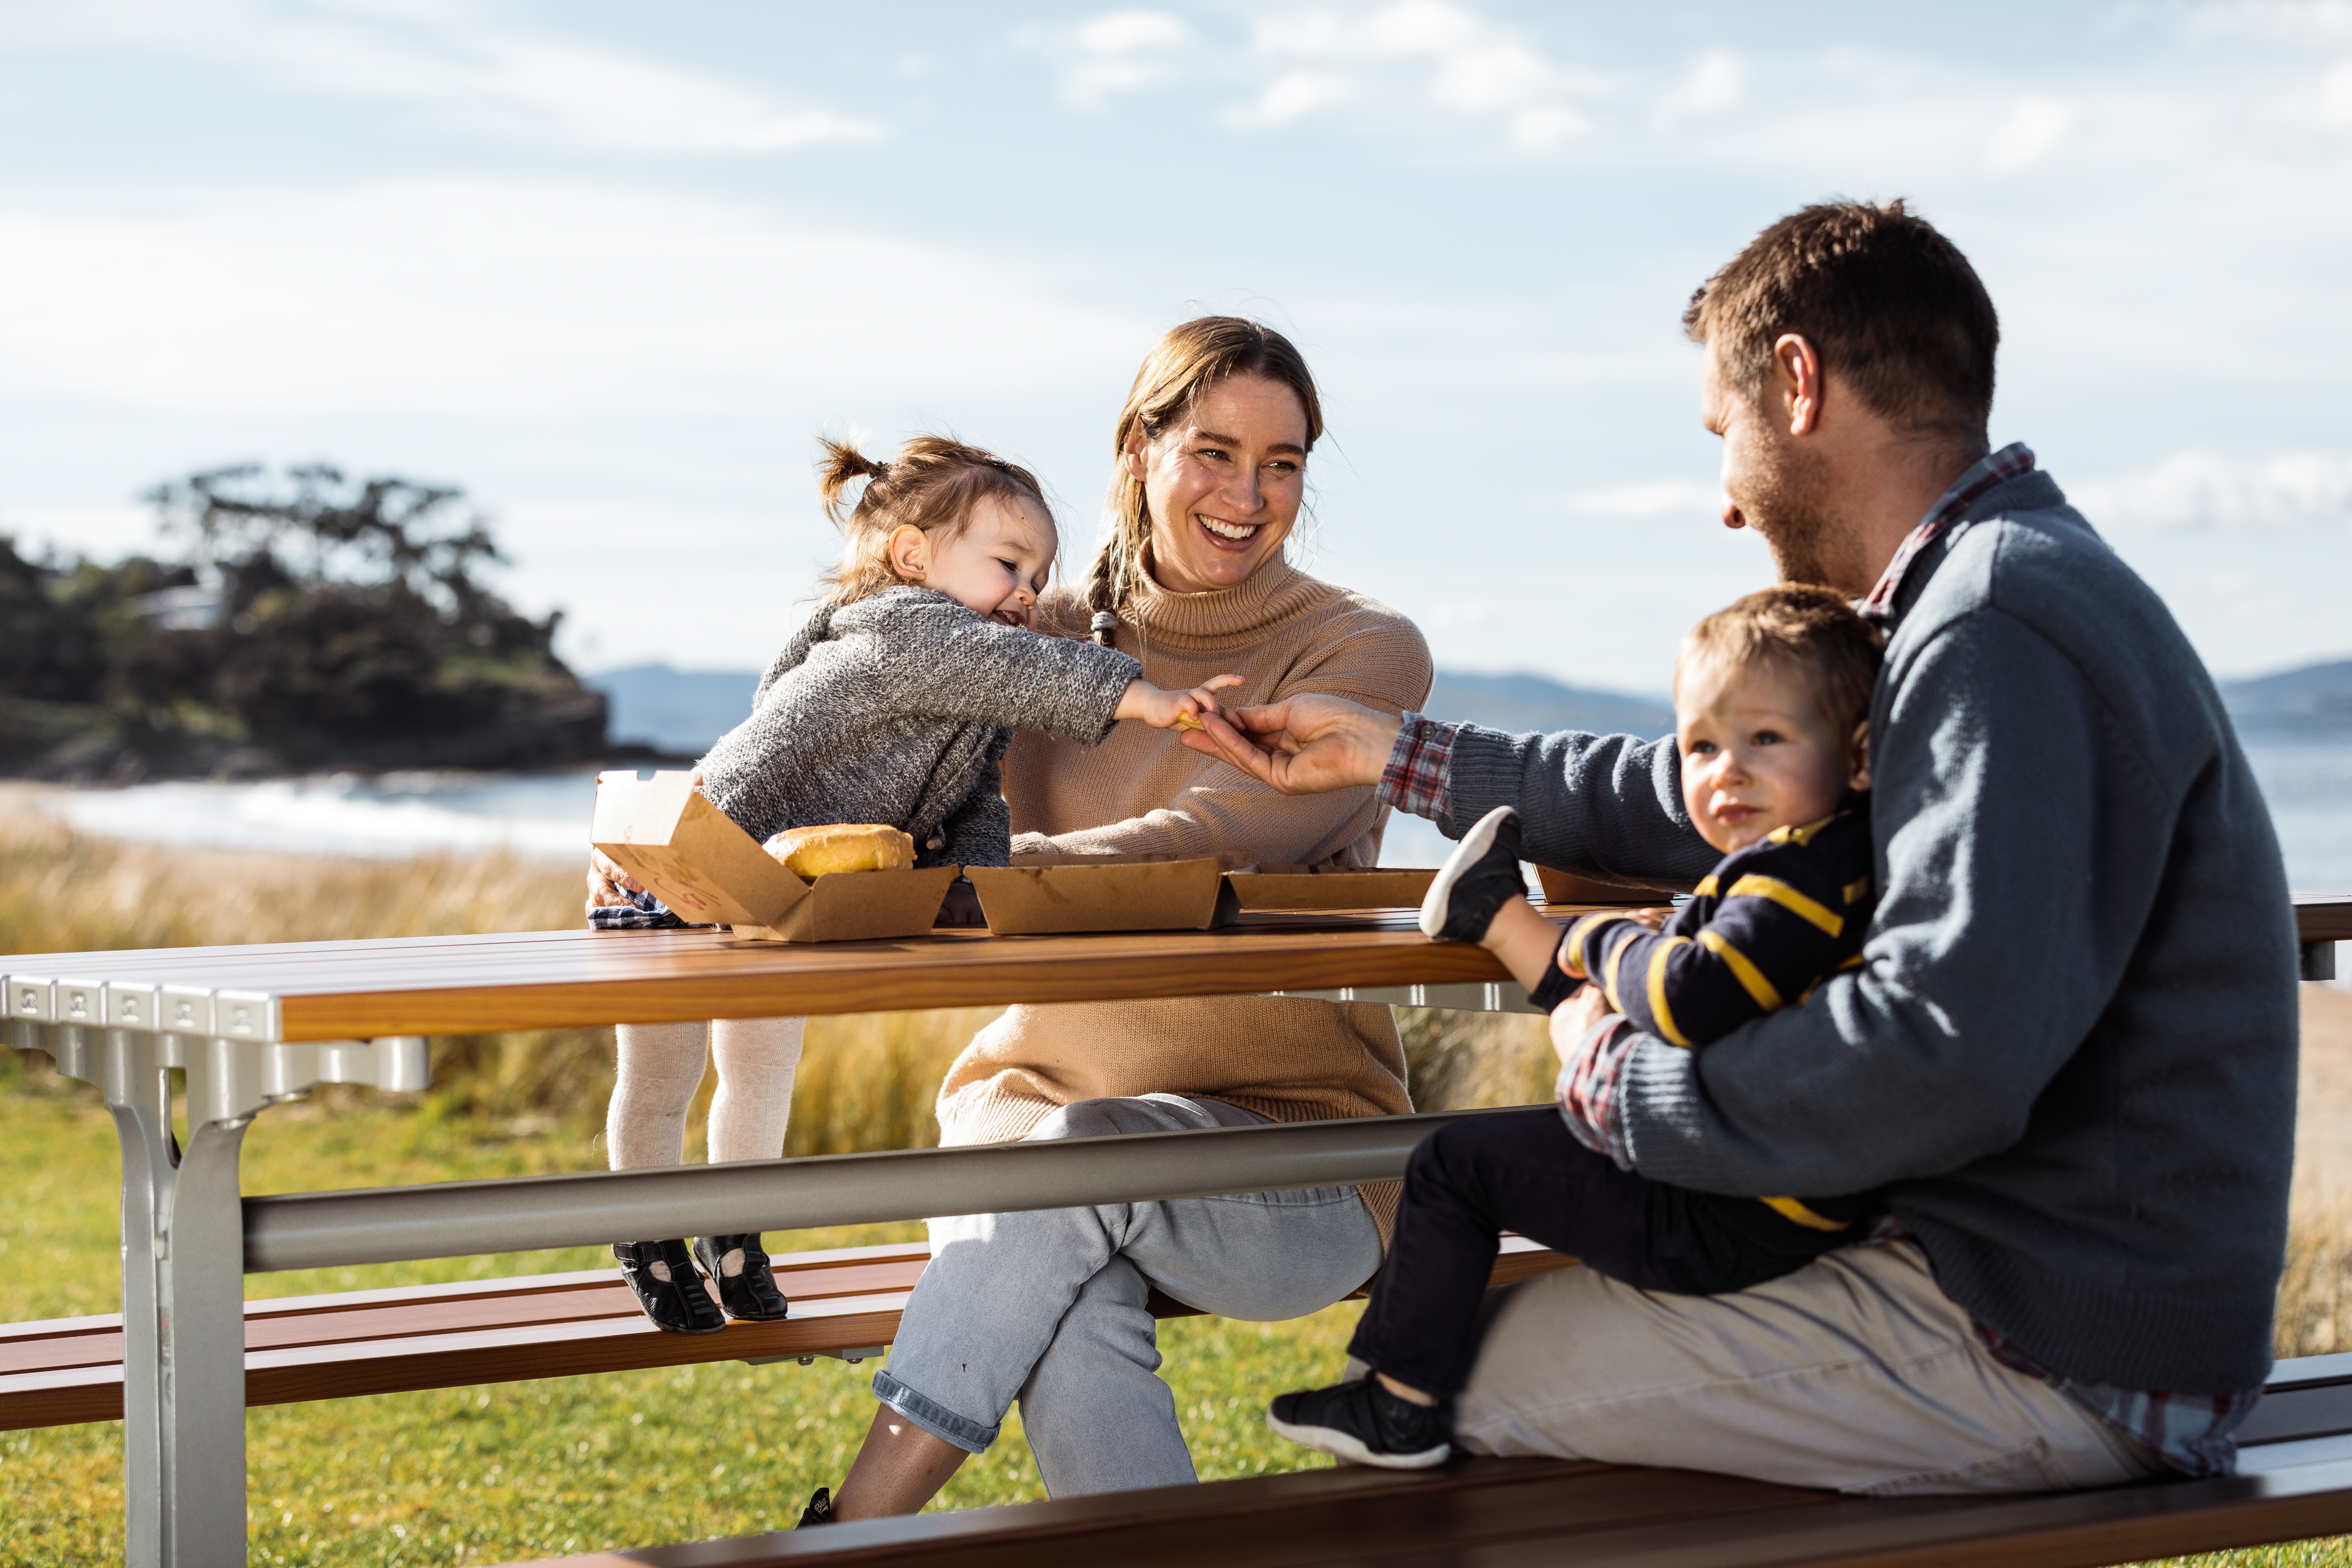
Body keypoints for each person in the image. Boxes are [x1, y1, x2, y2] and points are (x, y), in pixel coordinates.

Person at [1188, 200, 2297, 1494]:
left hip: (2052, 1345)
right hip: (2032, 1285)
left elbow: (1942, 1057)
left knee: (1440, 1396)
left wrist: (1622, 1088)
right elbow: (1692, 795)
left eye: (1724, 437)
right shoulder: (1977, 597)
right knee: (1484, 1337)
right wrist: (1399, 755)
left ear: (1797, 382)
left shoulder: (1993, 625)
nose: (1726, 501)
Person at [801, 317, 1432, 1527]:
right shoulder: (1025, 630)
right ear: (1136, 449)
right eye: (1214, 451)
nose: (1250, 494)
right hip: (1024, 1112)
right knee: (1066, 1269)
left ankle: (847, 1533)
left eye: (1285, 462)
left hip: (1294, 1150)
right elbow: (864, 723)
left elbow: (1232, 831)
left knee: (1083, 1172)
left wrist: (989, 875)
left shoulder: (1360, 648)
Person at [586, 434, 1236, 1335]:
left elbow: (974, 800)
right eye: (1008, 563)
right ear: (913, 557)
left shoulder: (967, 685)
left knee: (761, 1073)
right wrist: (1152, 700)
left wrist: (973, 886)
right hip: (679, 868)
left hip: (778, 900)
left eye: (1037, 574)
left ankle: (733, 1233)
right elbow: (1036, 670)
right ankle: (644, 1234)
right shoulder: (912, 628)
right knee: (664, 1074)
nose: (1026, 592)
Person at [1267, 583, 1886, 1468]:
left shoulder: (1803, 873)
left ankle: (1400, 1405)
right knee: (1500, 1142)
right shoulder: (1820, 859)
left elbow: (1695, 995)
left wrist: (1595, 940)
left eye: (1767, 740)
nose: (1727, 772)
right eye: (1702, 745)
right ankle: (1494, 908)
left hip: (1726, 1211)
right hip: (1749, 1183)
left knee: (1454, 1168)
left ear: (1856, 759)